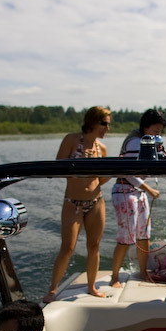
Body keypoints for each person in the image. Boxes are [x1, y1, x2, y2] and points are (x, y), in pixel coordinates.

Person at [43, 106, 112, 303]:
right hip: (72, 202)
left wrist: (111, 172)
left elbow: (101, 180)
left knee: (94, 245)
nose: (108, 128)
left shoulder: (102, 148)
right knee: (68, 247)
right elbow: (59, 167)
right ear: (93, 122)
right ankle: (53, 289)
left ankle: (92, 287)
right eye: (105, 123)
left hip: (96, 202)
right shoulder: (71, 140)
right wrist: (79, 169)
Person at [110, 109, 166, 287]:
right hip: (125, 191)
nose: (157, 135)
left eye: (159, 132)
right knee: (126, 238)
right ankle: (114, 277)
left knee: (144, 236)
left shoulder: (146, 141)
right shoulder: (135, 142)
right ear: (146, 127)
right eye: (155, 131)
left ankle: (143, 272)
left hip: (138, 192)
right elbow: (128, 173)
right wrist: (149, 189)